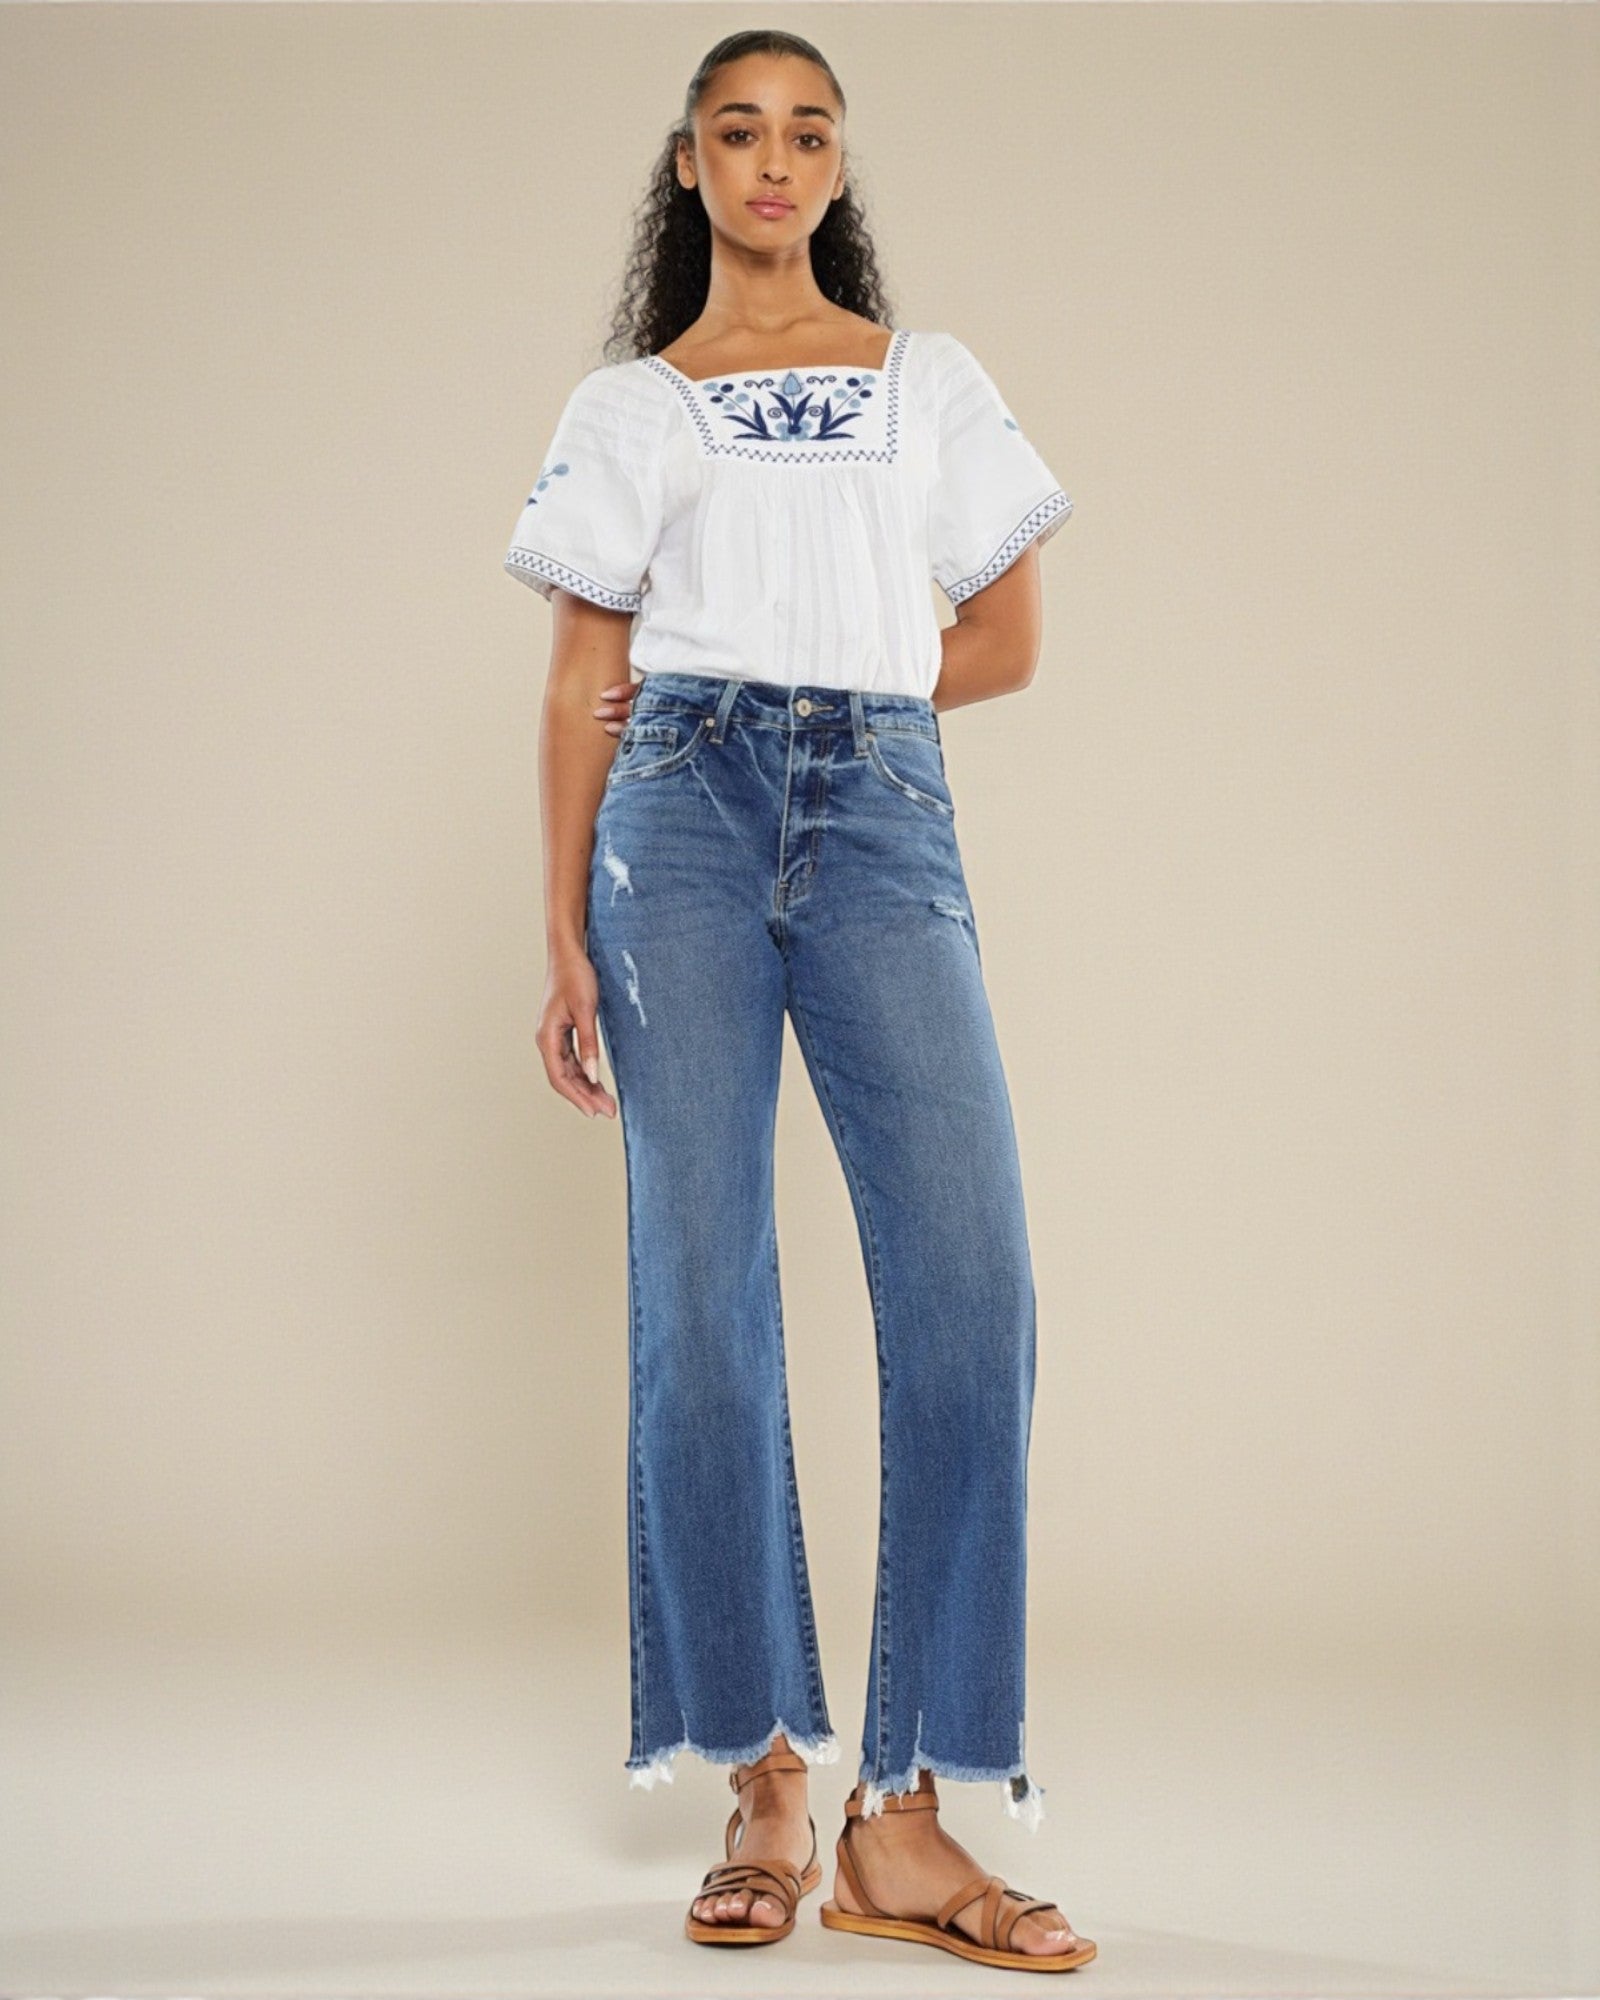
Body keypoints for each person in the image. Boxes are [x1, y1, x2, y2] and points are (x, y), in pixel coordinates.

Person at [502, 28, 1095, 1974]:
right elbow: (581, 675)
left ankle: (900, 1816)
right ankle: (763, 1775)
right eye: (738, 132)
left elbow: (1001, 633)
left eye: (807, 134)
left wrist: (843, 700)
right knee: (701, 1302)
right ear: (687, 164)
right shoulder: (630, 404)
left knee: (974, 1288)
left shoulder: (928, 382)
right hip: (668, 821)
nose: (773, 161)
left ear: (838, 168)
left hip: (876, 810)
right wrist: (563, 932)